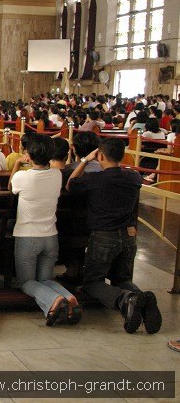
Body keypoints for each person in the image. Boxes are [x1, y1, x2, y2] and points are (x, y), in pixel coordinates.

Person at [67, 138, 162, 334]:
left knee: (92, 282)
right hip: (128, 238)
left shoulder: (96, 179)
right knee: (121, 278)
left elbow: (71, 184)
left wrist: (85, 160)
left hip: (103, 237)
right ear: (124, 156)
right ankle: (140, 297)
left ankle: (126, 299)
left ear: (100, 155)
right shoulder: (134, 178)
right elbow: (123, 173)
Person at [11, 134, 79, 326]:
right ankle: (67, 296)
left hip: (28, 236)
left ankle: (54, 300)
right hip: (50, 235)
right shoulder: (57, 175)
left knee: (26, 282)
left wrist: (17, 164)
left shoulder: (22, 177)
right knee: (45, 279)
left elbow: (11, 187)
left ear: (29, 156)